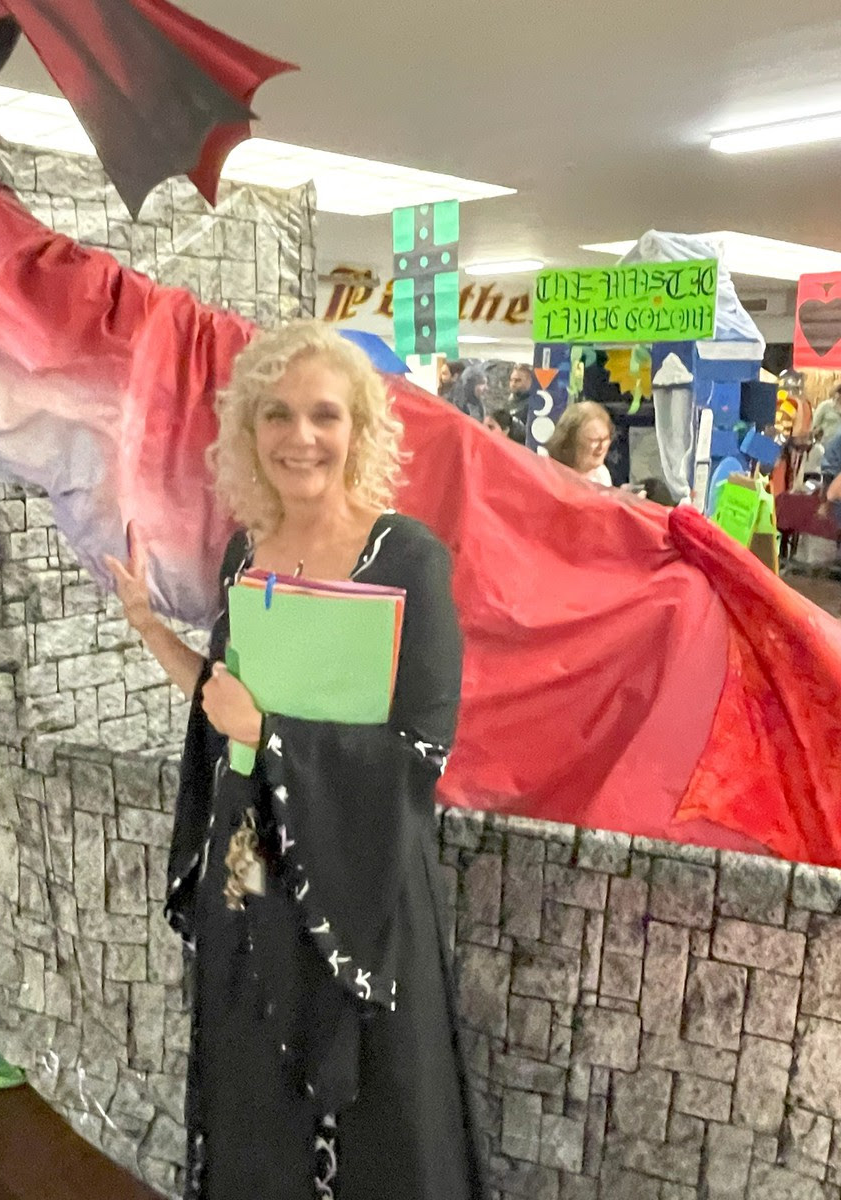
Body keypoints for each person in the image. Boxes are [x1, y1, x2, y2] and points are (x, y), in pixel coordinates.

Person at [106, 320, 482, 1200]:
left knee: (372, 1118)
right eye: (276, 415)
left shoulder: (409, 561)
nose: (300, 438)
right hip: (249, 874)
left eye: (324, 415)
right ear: (249, 431)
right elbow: (225, 704)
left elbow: (423, 747)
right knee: (254, 1084)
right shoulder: (247, 552)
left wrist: (271, 735)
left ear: (359, 430)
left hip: (362, 885)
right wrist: (151, 629)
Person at [545, 400, 615, 486]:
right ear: (570, 441)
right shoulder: (552, 477)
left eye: (605, 439)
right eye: (595, 440)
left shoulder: (601, 474)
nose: (601, 447)